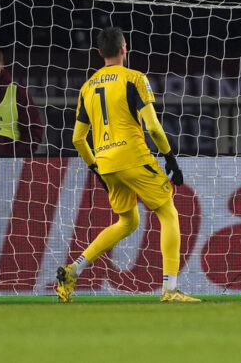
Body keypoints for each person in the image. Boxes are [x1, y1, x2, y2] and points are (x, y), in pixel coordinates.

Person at [57, 27, 198, 303]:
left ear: (100, 53)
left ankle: (73, 270)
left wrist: (94, 168)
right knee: (168, 211)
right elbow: (154, 128)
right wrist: (170, 158)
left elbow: (77, 138)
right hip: (133, 156)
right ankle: (170, 289)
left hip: (106, 162)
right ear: (124, 48)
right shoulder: (134, 78)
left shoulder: (87, 87)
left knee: (128, 220)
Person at [0, 45, 44, 157]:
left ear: (2, 64)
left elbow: (34, 132)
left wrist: (15, 157)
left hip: (10, 167)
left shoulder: (19, 94)